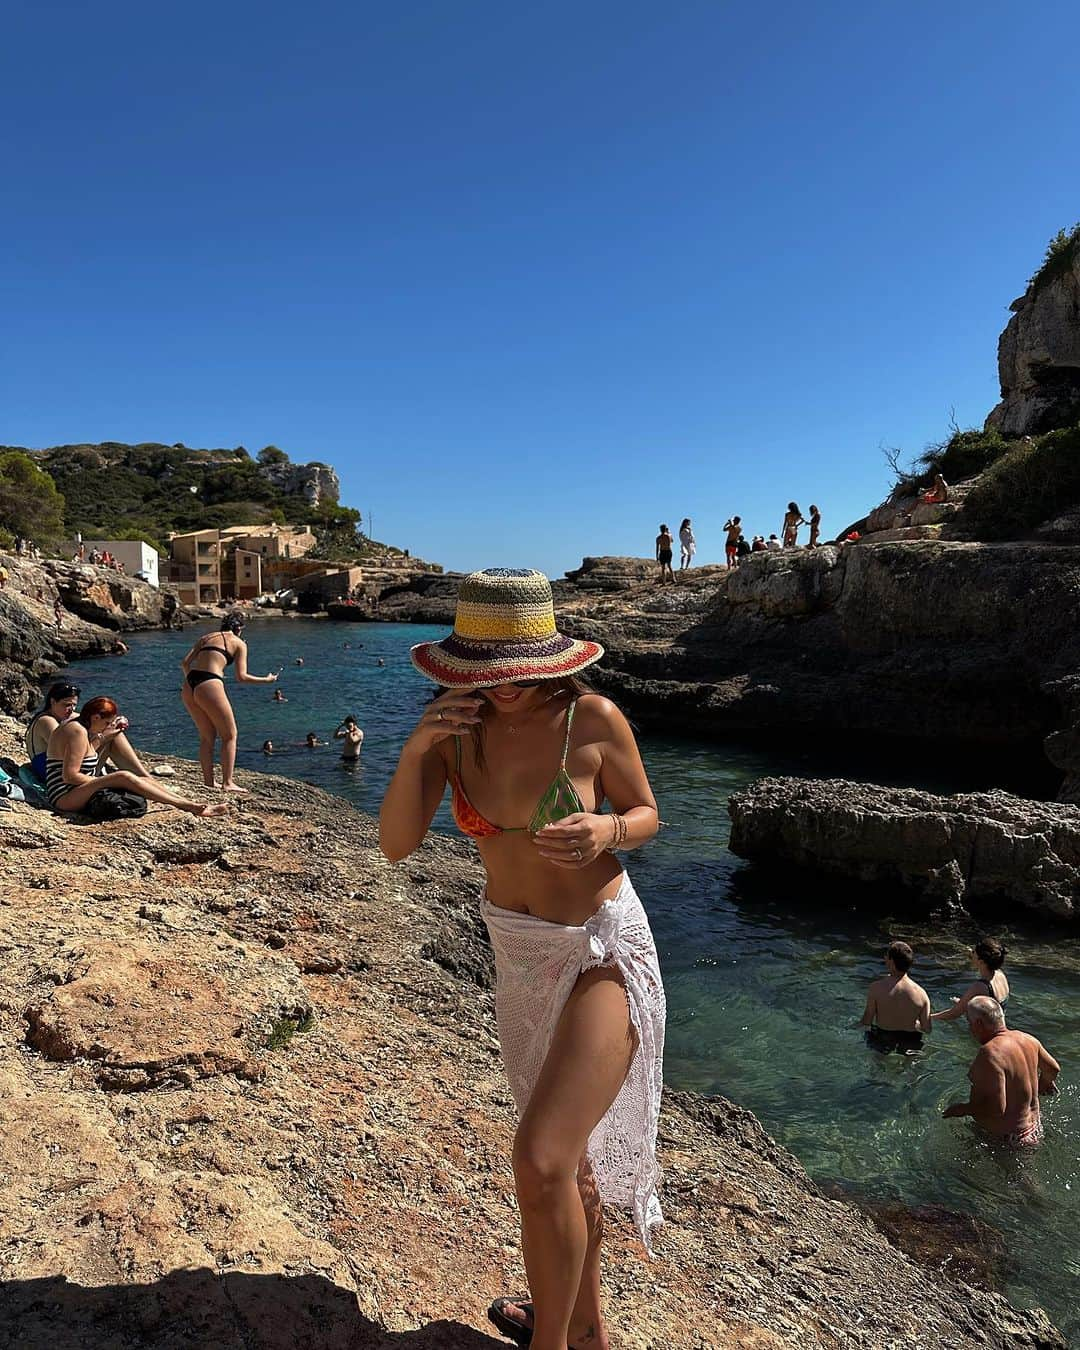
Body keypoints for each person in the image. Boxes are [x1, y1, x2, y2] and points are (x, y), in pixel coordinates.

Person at [381, 568, 665, 1350]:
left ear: (548, 660)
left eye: (513, 674)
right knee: (568, 1172)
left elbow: (647, 815)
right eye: (483, 673)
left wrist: (608, 832)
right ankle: (584, 1329)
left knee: (540, 1162)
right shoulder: (456, 731)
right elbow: (397, 845)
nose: (499, 689)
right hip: (519, 955)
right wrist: (418, 748)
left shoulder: (592, 719)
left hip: (601, 946)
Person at [45, 697, 227, 818]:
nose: (106, 726)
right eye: (106, 723)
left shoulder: (82, 727)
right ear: (95, 717)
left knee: (140, 778)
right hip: (64, 796)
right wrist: (106, 781)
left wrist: (108, 735)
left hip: (76, 790)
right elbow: (70, 776)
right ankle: (187, 806)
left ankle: (185, 801)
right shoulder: (76, 730)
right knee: (123, 776)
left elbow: (86, 756)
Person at [179, 612, 278, 794]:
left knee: (207, 736)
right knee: (230, 735)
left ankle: (209, 782)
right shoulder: (238, 643)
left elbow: (185, 663)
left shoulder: (206, 637)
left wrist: (194, 681)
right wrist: (267, 680)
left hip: (189, 684)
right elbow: (241, 677)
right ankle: (227, 782)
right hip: (209, 682)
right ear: (239, 628)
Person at [943, 997, 1059, 1148]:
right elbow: (1053, 1069)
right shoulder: (1028, 1039)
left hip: (1008, 1140)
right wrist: (1044, 1083)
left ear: (978, 1024)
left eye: (969, 1023)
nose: (970, 1029)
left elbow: (996, 1108)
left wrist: (962, 1109)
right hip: (1035, 1128)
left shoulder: (990, 1053)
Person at [860, 941, 932, 1054]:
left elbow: (867, 1021)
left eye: (887, 956)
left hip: (883, 1036)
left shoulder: (876, 988)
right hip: (911, 1039)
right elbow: (927, 1029)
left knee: (878, 1064)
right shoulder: (922, 994)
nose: (884, 958)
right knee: (909, 1068)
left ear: (892, 962)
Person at [931, 937, 1010, 1023]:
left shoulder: (981, 986)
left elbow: (953, 1013)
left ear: (981, 961)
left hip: (985, 1033)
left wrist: (927, 1017)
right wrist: (965, 1004)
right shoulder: (1000, 975)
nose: (971, 955)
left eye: (973, 953)